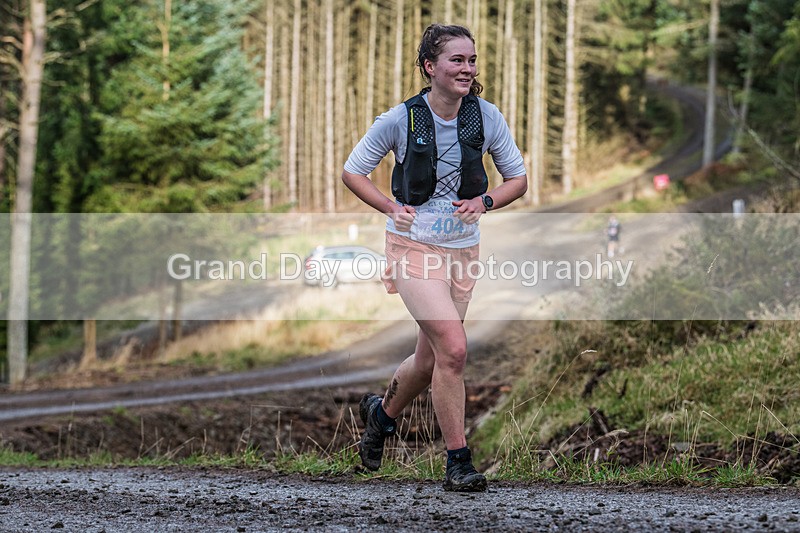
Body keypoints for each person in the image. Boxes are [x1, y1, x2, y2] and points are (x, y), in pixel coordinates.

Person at [341, 23, 527, 492]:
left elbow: (517, 180)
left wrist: (485, 201)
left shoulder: (487, 116)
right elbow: (353, 171)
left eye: (472, 60)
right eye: (456, 60)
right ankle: (458, 462)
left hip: (462, 252)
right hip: (413, 248)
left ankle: (381, 416)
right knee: (455, 349)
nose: (468, 69)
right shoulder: (399, 119)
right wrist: (390, 207)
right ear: (430, 67)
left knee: (429, 362)